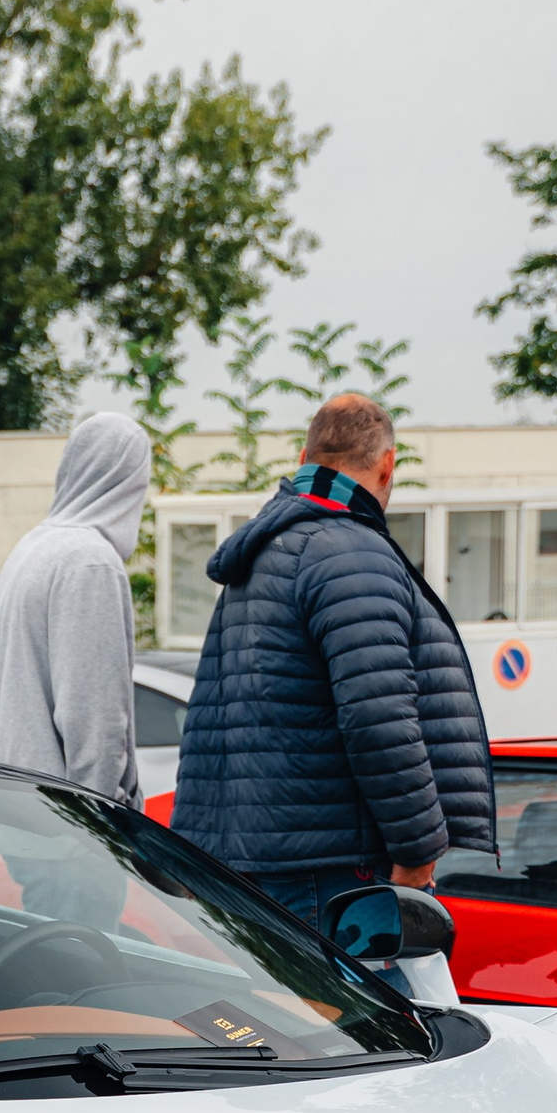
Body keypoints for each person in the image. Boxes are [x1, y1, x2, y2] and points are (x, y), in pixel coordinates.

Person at [172, 391, 495, 933]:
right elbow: (378, 715)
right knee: (371, 993)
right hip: (331, 872)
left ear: (304, 459)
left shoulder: (265, 552)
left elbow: (219, 715)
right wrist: (417, 849)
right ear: (388, 465)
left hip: (255, 859)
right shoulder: (351, 553)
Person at [0, 412, 152, 801]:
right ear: (129, 484)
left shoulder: (31, 548)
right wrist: (102, 818)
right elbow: (94, 719)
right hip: (67, 821)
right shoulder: (90, 561)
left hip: (21, 804)